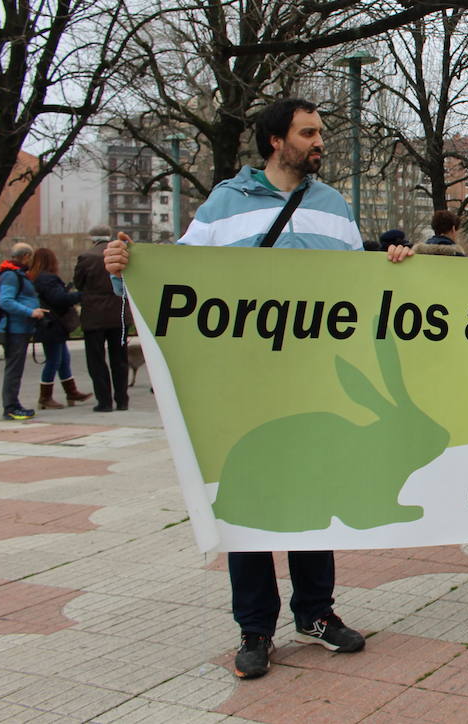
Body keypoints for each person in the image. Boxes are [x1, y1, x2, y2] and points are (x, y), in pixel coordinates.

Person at [104, 97, 414, 680]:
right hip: (244, 386)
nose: (320, 141)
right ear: (276, 141)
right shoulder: (224, 205)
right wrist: (127, 272)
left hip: (315, 381)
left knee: (313, 496)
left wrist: (394, 263)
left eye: (321, 130)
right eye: (309, 132)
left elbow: (361, 288)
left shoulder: (332, 205)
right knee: (249, 503)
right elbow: (178, 286)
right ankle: (255, 629)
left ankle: (315, 614)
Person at [27, 248, 92, 409]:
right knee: (54, 360)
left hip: (49, 324)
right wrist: (80, 295)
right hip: (53, 325)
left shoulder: (36, 277)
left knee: (63, 359)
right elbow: (59, 299)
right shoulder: (47, 279)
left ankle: (71, 392)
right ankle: (45, 397)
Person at [76, 225, 130, 413]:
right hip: (119, 313)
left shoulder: (86, 257)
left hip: (94, 315)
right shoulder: (122, 253)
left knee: (96, 360)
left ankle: (104, 401)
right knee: (120, 359)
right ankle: (122, 399)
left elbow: (78, 283)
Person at [0, 243, 48, 421]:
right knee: (13, 369)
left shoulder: (18, 274)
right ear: (25, 256)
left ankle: (13, 404)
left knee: (16, 369)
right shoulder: (10, 275)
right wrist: (30, 312)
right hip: (13, 329)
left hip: (20, 328)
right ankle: (10, 407)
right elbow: (5, 301)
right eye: (30, 257)